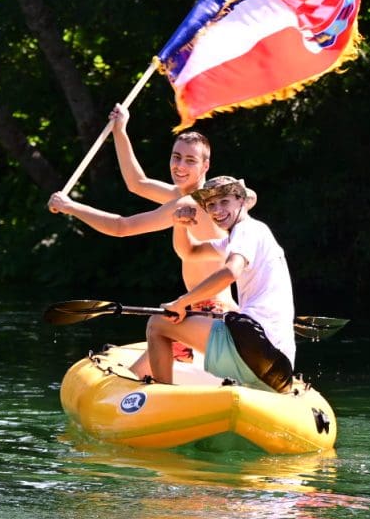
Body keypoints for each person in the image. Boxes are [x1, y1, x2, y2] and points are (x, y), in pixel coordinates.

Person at [46, 104, 243, 315]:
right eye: (176, 157)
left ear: (205, 166)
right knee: (155, 331)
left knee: (155, 328)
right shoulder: (182, 196)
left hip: (215, 311)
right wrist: (120, 131)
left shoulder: (191, 203)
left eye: (190, 160)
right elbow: (137, 183)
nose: (180, 166)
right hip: (205, 310)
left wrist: (70, 206)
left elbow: (121, 227)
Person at [130, 176, 295, 393]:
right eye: (211, 205)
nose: (217, 210)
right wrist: (180, 225)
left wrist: (182, 303)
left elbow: (230, 271)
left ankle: (164, 395)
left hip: (255, 345)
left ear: (241, 200)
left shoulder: (246, 230)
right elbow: (190, 252)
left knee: (157, 324)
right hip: (280, 368)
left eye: (224, 201)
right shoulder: (242, 236)